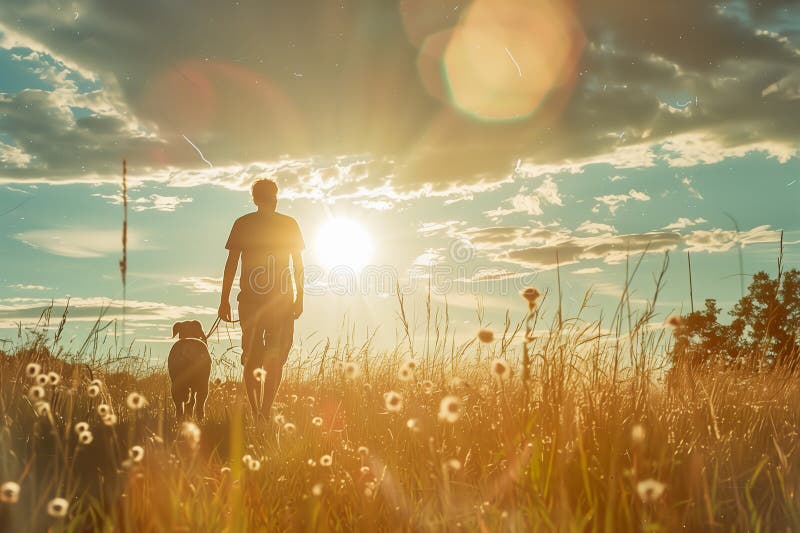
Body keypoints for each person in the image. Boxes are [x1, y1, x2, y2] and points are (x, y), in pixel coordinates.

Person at [218, 179, 304, 419]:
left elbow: (297, 264)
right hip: (264, 302)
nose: (271, 200)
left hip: (271, 302)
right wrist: (224, 300)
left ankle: (261, 412)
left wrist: (224, 300)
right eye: (268, 196)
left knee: (263, 356)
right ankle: (261, 412)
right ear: (259, 199)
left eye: (271, 196)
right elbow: (232, 263)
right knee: (259, 356)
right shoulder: (252, 224)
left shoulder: (277, 224)